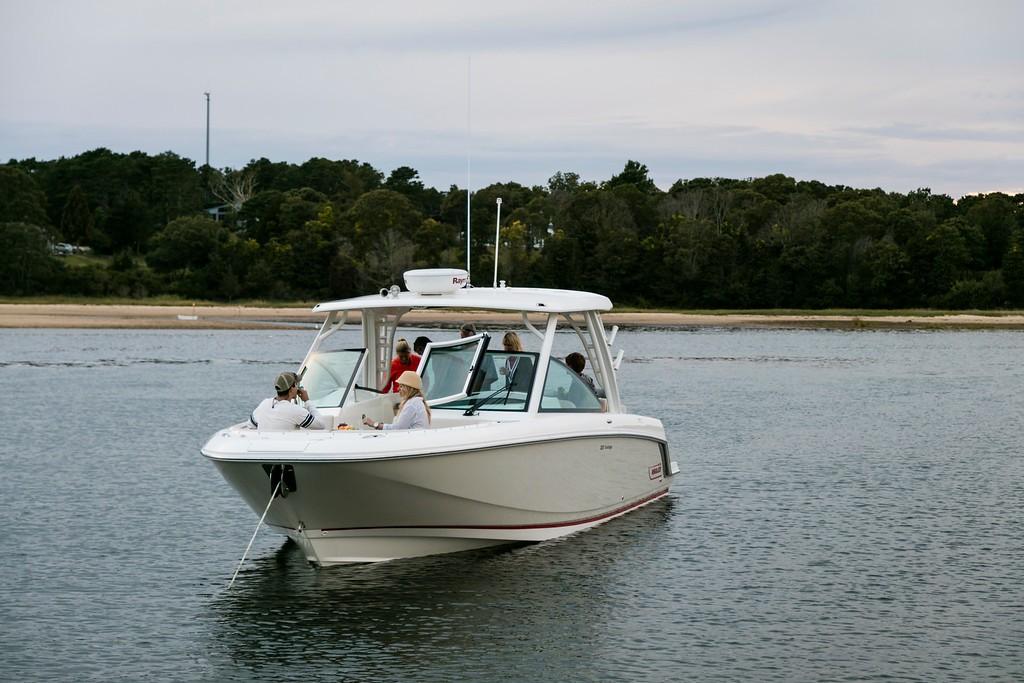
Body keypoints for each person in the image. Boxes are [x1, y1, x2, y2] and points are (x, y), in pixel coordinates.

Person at [249, 371, 328, 431]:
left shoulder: (264, 404)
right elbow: (321, 425)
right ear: (292, 389)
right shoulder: (296, 410)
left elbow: (250, 425)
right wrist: (307, 401)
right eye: (296, 384)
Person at [363, 371, 431, 430]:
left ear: (409, 388)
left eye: (401, 386)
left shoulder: (411, 404)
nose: (398, 389)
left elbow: (398, 428)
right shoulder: (416, 402)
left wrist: (374, 424)